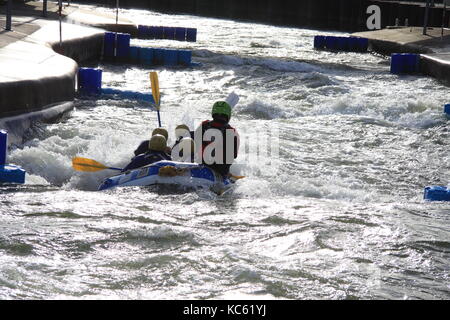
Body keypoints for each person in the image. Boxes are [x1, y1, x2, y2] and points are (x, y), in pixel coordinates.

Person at [195, 101, 239, 177]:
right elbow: (234, 155)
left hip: (203, 165)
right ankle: (226, 175)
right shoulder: (232, 131)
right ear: (228, 115)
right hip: (221, 172)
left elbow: (195, 142)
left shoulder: (204, 125)